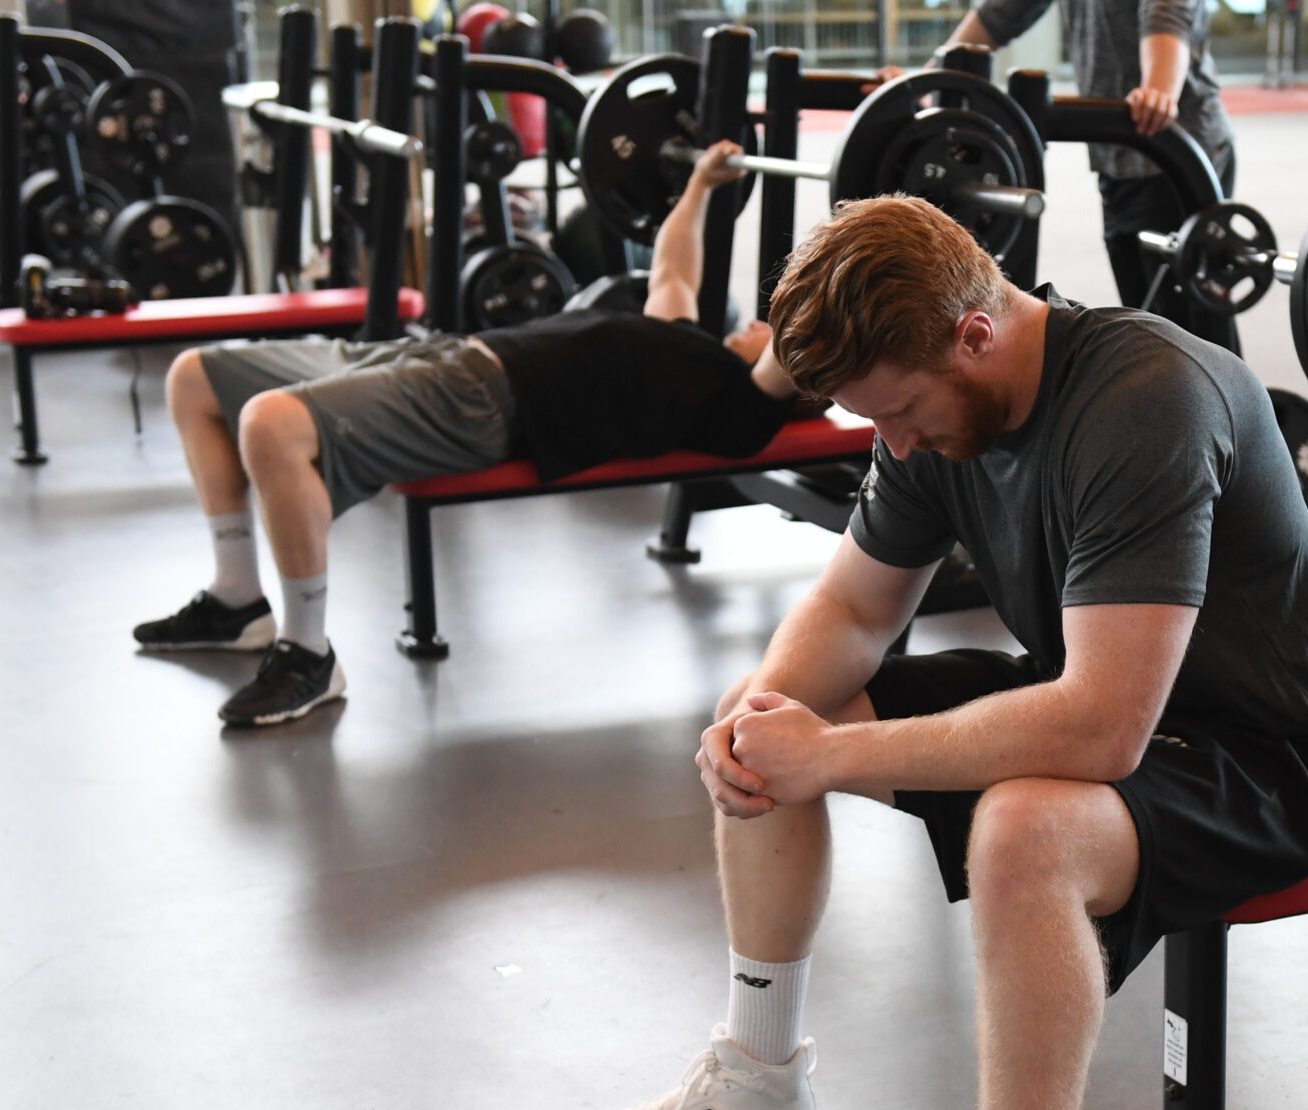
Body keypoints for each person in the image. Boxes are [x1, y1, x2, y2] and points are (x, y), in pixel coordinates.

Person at [563, 196, 1308, 1110]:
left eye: (895, 410)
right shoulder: (936, 417)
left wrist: (830, 756)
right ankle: (760, 1082)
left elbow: (1099, 730)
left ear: (974, 330)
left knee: (1024, 828)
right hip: (1108, 705)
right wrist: (776, 723)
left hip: (1269, 758)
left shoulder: (1144, 401)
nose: (890, 440)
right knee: (766, 705)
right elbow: (848, 614)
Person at [134, 142, 811, 726]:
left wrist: (838, 264)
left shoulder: (737, 409)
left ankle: (307, 654)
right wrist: (698, 185)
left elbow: (802, 340)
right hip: (442, 355)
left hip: (483, 403)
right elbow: (673, 267)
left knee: (270, 423)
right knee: (196, 375)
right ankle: (235, 600)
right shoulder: (685, 342)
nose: (753, 321)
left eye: (768, 331)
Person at [915, 0, 1239, 348]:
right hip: (1119, 148)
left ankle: (1233, 401)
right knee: (1150, 321)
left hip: (1177, 149)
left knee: (1191, 326)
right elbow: (1001, 14)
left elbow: (1167, 14)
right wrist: (924, 82)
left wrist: (1160, 90)